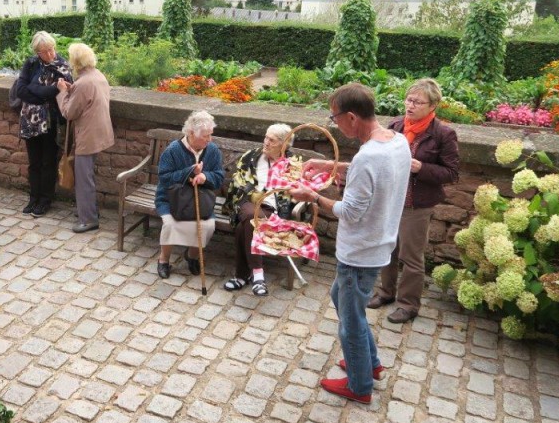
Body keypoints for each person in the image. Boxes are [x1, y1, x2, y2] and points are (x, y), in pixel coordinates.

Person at [289, 83, 410, 404]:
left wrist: (313, 196)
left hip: (360, 251)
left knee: (351, 320)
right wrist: (331, 166)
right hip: (380, 243)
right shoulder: (397, 142)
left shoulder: (368, 156)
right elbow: (376, 174)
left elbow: (350, 212)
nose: (336, 124)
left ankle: (359, 385)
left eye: (336, 118)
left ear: (352, 117)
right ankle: (369, 364)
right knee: (341, 298)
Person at [369, 78, 460, 324]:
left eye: (418, 102)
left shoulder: (443, 134)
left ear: (433, 106)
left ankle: (408, 305)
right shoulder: (396, 126)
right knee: (387, 248)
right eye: (409, 99)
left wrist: (421, 168)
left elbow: (452, 173)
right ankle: (386, 292)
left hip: (416, 204)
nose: (410, 105)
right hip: (391, 199)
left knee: (411, 257)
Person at [221, 123, 297, 297]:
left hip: (271, 209)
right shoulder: (251, 157)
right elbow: (237, 182)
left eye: (272, 140)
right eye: (266, 137)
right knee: (250, 215)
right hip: (246, 202)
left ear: (284, 145)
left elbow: (294, 193)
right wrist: (253, 193)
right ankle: (258, 276)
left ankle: (241, 276)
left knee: (246, 225)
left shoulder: (291, 165)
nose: (266, 142)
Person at [154, 111, 224, 278]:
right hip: (172, 200)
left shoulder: (212, 150)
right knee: (171, 224)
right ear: (191, 133)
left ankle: (192, 256)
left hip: (201, 200)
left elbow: (220, 177)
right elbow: (164, 178)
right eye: (205, 136)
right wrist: (189, 172)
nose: (209, 140)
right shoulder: (173, 150)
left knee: (207, 226)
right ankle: (163, 259)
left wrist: (204, 177)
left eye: (210, 135)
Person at [14, 31, 73, 218]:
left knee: (48, 162)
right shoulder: (31, 64)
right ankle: (33, 197)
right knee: (34, 162)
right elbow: (21, 91)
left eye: (51, 49)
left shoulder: (62, 66)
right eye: (44, 51)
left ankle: (45, 200)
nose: (50, 54)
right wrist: (51, 90)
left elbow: (62, 95)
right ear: (37, 52)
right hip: (30, 122)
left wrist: (38, 90)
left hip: (51, 122)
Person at [57, 43, 114, 233]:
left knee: (83, 177)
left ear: (76, 61)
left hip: (88, 136)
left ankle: (88, 219)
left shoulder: (83, 82)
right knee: (87, 175)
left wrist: (62, 92)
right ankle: (89, 210)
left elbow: (68, 112)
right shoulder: (98, 76)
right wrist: (73, 90)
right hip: (99, 133)